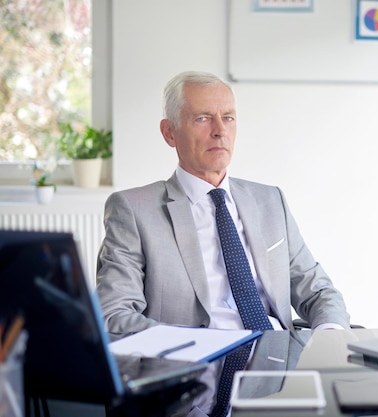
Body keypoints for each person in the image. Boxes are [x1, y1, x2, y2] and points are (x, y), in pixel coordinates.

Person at [96, 71, 351, 416]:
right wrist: (202, 344)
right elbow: (114, 315)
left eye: (228, 117)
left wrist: (329, 339)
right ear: (169, 132)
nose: (220, 130)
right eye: (203, 118)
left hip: (278, 370)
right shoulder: (134, 209)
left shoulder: (269, 200)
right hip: (196, 379)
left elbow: (318, 290)